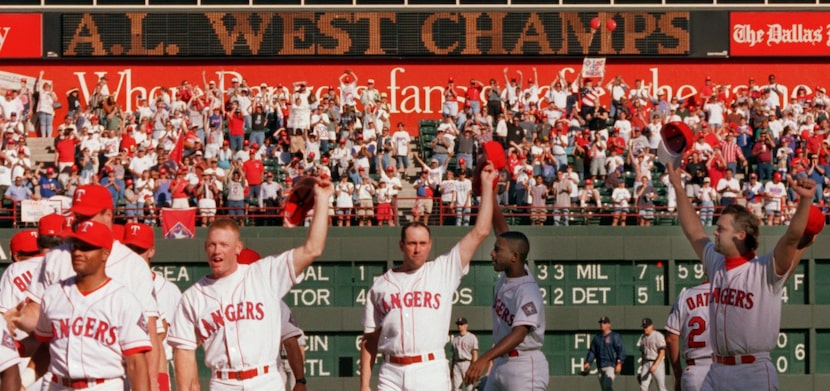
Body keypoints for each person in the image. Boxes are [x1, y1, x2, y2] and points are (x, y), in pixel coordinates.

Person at [666, 161, 822, 391]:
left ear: (740, 235)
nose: (715, 233)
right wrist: (678, 188)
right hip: (716, 370)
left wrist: (806, 201)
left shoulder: (764, 271)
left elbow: (791, 238)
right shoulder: (717, 263)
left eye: (721, 229)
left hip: (753, 373)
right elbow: (693, 231)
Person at [169, 176, 333, 390]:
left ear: (238, 248)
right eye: (212, 245)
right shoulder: (193, 297)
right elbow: (184, 352)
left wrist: (322, 199)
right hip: (223, 381)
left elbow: (313, 249)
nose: (217, 251)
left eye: (224, 245)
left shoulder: (263, 274)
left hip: (265, 379)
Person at [358, 162, 497, 391]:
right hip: (390, 371)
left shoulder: (442, 270)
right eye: (412, 243)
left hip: (430, 368)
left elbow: (480, 231)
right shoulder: (381, 285)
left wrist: (487, 187)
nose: (417, 249)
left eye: (423, 243)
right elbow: (370, 340)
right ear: (401, 245)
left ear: (430, 245)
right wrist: (364, 384)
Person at [12, 184, 163, 390]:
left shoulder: (132, 267)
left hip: (107, 380)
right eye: (78, 216)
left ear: (108, 215)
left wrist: (153, 383)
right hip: (58, 381)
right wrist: (16, 319)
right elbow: (44, 332)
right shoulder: (56, 260)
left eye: (87, 216)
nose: (80, 222)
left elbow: (148, 340)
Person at [33, 220, 151, 391]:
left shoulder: (123, 299)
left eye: (87, 247)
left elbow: (136, 364)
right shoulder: (53, 294)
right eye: (75, 245)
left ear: (105, 254)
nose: (78, 252)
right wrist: (22, 381)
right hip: (57, 385)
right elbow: (45, 348)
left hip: (104, 385)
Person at [464, 203, 548, 391]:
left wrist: (484, 358)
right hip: (502, 363)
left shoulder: (527, 292)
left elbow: (519, 334)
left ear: (514, 257)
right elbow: (503, 232)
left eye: (497, 250)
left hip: (525, 365)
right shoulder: (510, 274)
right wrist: (491, 198)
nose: (492, 253)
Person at [122, 222, 184, 391]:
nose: (134, 256)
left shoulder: (170, 290)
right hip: (119, 370)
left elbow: (182, 341)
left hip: (158, 371)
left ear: (151, 251)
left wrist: (162, 383)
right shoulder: (115, 286)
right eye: (130, 249)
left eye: (139, 250)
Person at [666, 281, 712, 391]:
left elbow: (670, 339)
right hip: (725, 367)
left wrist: (678, 376)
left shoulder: (685, 296)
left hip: (694, 370)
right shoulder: (731, 293)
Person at [583, 316, 626, 391]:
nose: (602, 324)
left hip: (610, 366)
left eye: (604, 323)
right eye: (601, 323)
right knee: (605, 389)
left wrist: (619, 363)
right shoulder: (597, 338)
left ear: (609, 325)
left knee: (607, 385)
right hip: (600, 367)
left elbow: (621, 350)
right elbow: (592, 352)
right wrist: (588, 362)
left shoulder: (615, 336)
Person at [637, 318, 667, 391]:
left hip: (657, 362)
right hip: (646, 362)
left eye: (646, 327)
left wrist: (655, 365)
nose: (645, 329)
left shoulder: (658, 335)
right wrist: (641, 367)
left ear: (651, 326)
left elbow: (662, 352)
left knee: (661, 387)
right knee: (643, 387)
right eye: (644, 327)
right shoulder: (643, 337)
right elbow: (643, 353)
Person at [450, 317, 478, 391]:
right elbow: (453, 356)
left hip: (467, 363)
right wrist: (451, 369)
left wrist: (473, 368)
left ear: (466, 325)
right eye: (458, 324)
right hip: (457, 364)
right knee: (456, 388)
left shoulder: (472, 337)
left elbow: (474, 354)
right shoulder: (455, 338)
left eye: (461, 324)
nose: (459, 326)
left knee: (470, 387)